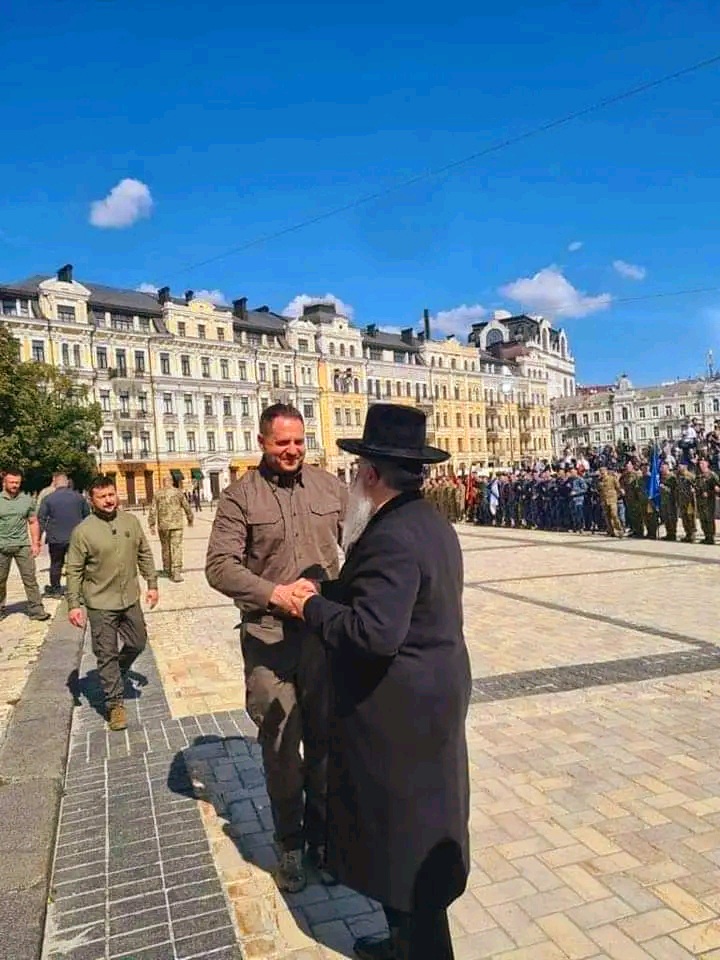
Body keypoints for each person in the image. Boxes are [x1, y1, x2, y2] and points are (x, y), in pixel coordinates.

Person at [274, 403, 471, 960]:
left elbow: (374, 633)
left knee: (404, 844)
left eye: (359, 470)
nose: (354, 481)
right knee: (409, 842)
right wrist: (331, 591)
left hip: (399, 717)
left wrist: (311, 607)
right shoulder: (427, 521)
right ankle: (402, 944)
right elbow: (391, 598)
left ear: (372, 474)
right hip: (430, 701)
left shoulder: (391, 535)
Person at [205, 403, 347, 894]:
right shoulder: (240, 497)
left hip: (323, 640)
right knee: (283, 748)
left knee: (327, 746)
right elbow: (219, 566)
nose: (292, 451)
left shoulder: (330, 487)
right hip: (270, 643)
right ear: (262, 442)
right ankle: (290, 844)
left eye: (299, 441)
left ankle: (324, 842)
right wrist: (274, 594)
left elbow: (362, 544)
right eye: (282, 442)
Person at [65, 475, 158, 732]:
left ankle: (117, 671)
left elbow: (144, 552)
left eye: (111, 494)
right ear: (91, 500)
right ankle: (115, 704)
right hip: (100, 602)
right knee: (106, 653)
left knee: (137, 642)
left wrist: (152, 583)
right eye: (102, 496)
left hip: (129, 598)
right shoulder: (83, 531)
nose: (108, 500)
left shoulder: (130, 521)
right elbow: (73, 570)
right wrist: (74, 604)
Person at [0, 467, 50, 622]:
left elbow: (33, 522)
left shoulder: (27, 500)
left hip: (23, 546)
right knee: (0, 580)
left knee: (30, 579)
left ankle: (36, 610)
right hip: (2, 546)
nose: (15, 485)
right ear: (4, 482)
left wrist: (36, 543)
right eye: (12, 482)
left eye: (17, 482)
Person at [37, 473, 90, 596]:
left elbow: (41, 518)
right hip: (76, 537)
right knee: (76, 563)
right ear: (67, 483)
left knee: (56, 564)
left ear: (55, 483)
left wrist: (48, 530)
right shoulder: (79, 497)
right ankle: (78, 588)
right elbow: (87, 516)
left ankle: (56, 589)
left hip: (56, 538)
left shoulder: (48, 499)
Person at [148, 475, 194, 582]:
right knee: (176, 547)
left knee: (165, 547)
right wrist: (190, 519)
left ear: (163, 482)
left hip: (163, 526)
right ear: (172, 482)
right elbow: (186, 506)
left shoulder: (158, 494)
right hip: (176, 525)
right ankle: (176, 572)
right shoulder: (178, 492)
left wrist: (152, 524)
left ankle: (167, 569)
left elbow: (153, 509)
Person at [694, 458, 720, 545]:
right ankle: (706, 536)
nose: (701, 465)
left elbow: (718, 488)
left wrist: (710, 493)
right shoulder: (699, 476)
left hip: (709, 502)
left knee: (709, 519)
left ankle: (711, 537)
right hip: (700, 501)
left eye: (703, 463)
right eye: (700, 464)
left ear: (707, 464)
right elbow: (697, 487)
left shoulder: (712, 475)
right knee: (703, 519)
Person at [597, 466, 624, 538]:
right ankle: (611, 531)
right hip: (604, 500)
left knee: (614, 514)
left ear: (606, 472)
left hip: (612, 499)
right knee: (607, 516)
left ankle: (619, 530)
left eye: (603, 472)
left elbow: (618, 487)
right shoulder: (599, 481)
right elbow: (599, 490)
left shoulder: (612, 478)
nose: (602, 473)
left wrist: (619, 494)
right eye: (601, 472)